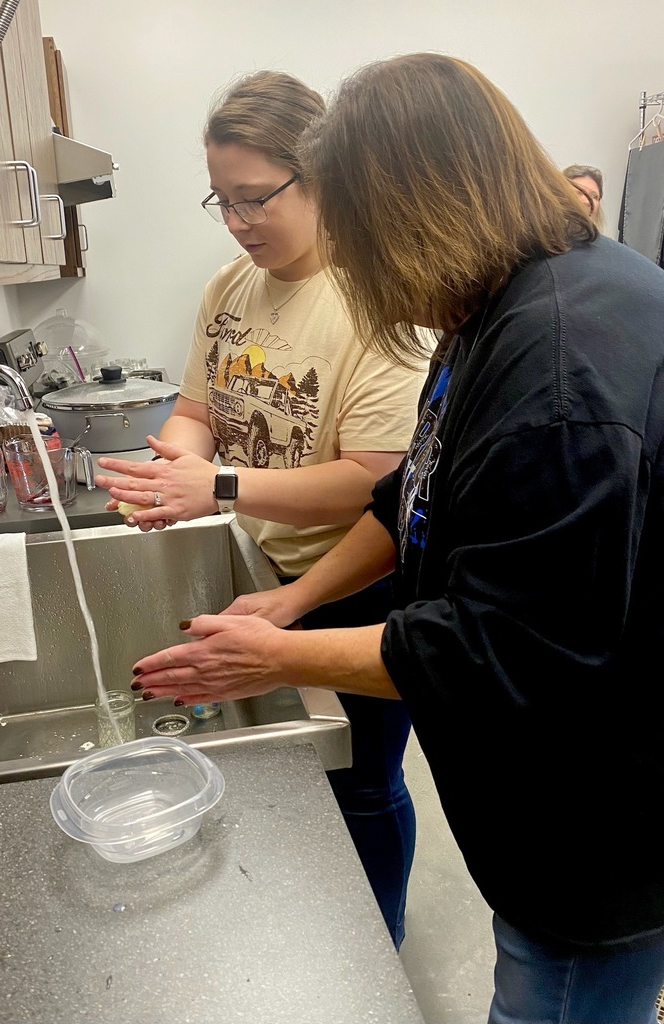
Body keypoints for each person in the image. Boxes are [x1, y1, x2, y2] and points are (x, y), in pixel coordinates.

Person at [129, 54, 664, 1024]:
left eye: (362, 243)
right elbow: (410, 488)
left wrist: (273, 657)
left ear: (415, 215)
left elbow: (493, 651)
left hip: (597, 834)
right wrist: (289, 601)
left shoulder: (556, 375)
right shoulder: (497, 302)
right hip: (548, 793)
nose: (361, 273)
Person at [94, 71, 427, 949]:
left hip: (357, 579)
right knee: (292, 771)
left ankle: (373, 945)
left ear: (320, 179)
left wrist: (221, 488)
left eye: (256, 199)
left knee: (360, 778)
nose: (239, 223)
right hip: (260, 558)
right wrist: (175, 469)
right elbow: (200, 411)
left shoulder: (380, 301)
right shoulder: (230, 288)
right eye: (222, 200)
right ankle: (310, 931)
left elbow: (373, 482)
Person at [563, 163, 604, 228]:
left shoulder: (601, 238)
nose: (587, 202)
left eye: (594, 197)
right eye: (579, 193)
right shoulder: (543, 236)